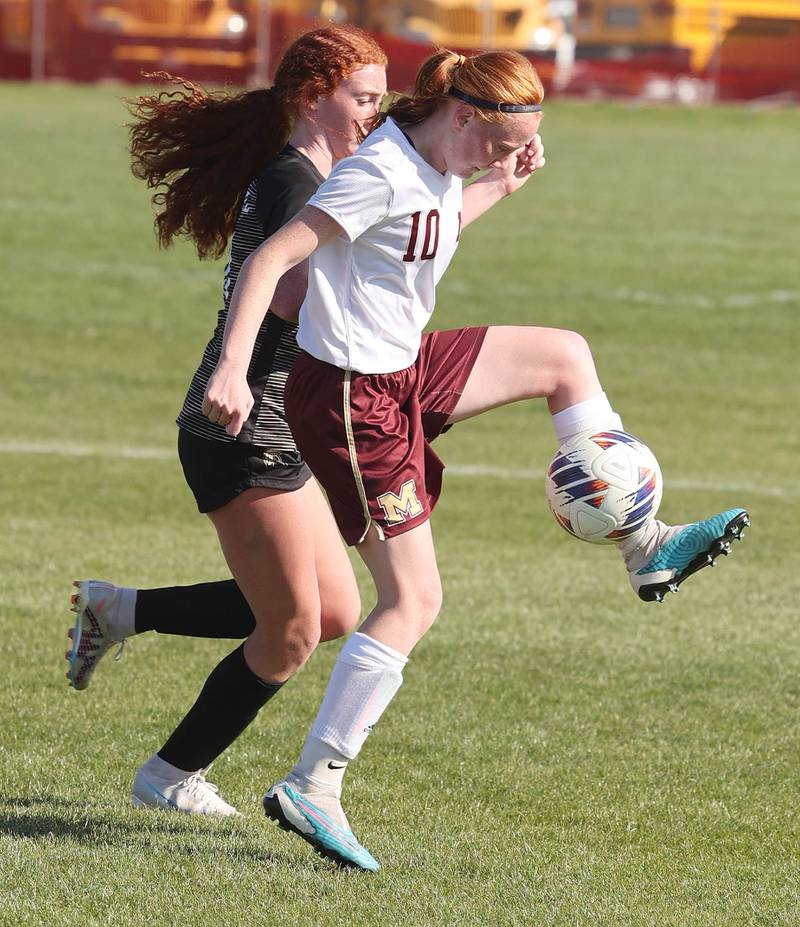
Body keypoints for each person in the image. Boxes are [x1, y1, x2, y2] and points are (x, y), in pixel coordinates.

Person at [203, 48, 749, 870]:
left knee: (564, 354)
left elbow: (427, 230)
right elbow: (274, 257)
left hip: (401, 367)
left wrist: (500, 184)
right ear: (461, 116)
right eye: (497, 145)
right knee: (414, 598)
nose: (501, 157)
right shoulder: (379, 170)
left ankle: (645, 548)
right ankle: (314, 781)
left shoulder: (437, 162)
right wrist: (233, 370)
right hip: (351, 398)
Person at [66, 24, 390, 817]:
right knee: (289, 632)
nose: (376, 115)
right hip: (239, 430)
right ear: (315, 98)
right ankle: (168, 776)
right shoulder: (292, 184)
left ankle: (120, 609)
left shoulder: (319, 173)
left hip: (283, 427)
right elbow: (291, 297)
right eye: (364, 99)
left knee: (337, 611)